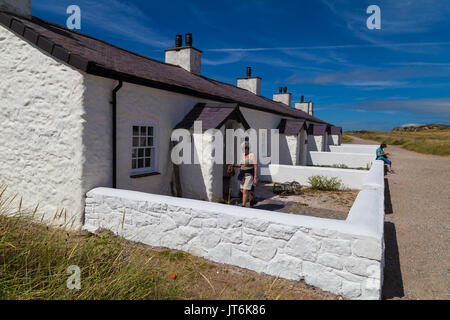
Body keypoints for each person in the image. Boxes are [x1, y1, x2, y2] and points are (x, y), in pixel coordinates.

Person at [232, 141, 258, 207]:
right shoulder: (242, 155)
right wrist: (233, 165)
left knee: (245, 190)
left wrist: (255, 177)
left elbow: (255, 166)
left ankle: (243, 205)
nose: (243, 150)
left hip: (249, 175)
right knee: (242, 190)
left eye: (244, 149)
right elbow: (240, 165)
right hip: (242, 175)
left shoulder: (252, 155)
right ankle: (252, 199)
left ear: (247, 148)